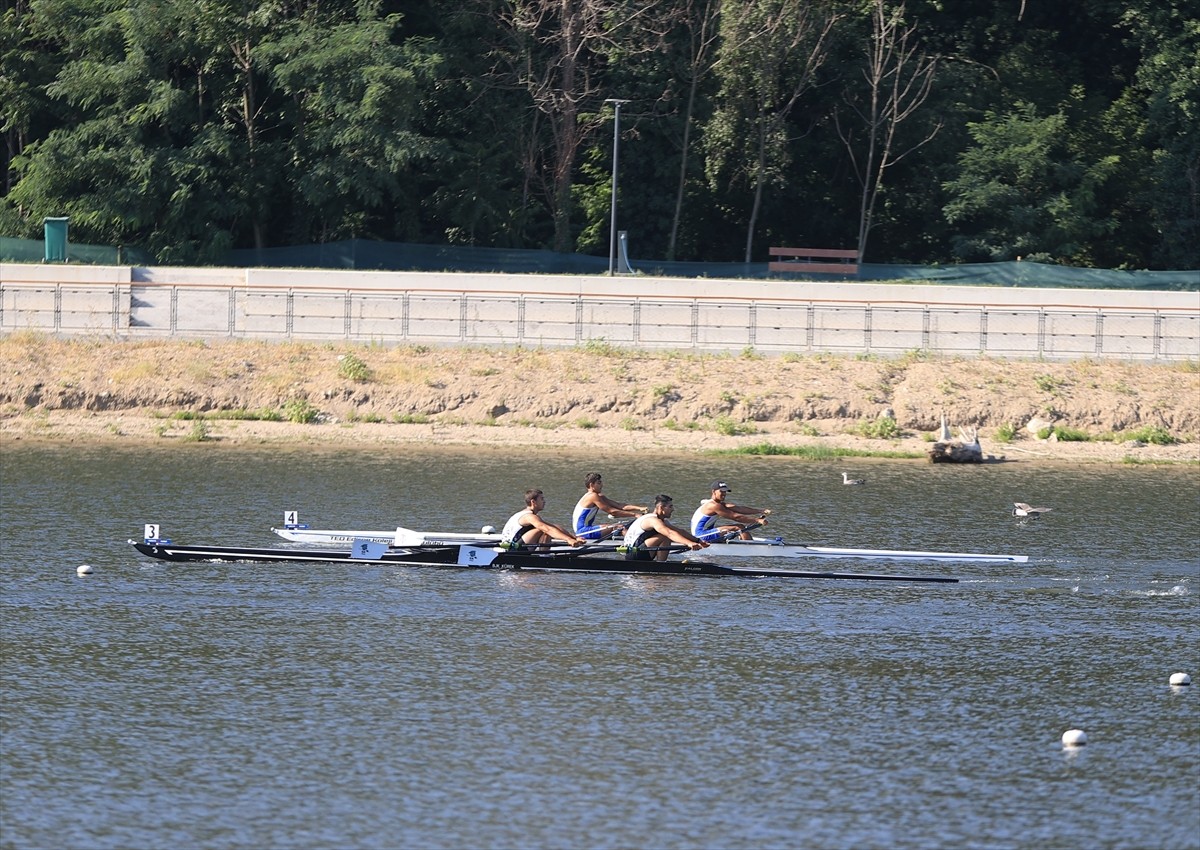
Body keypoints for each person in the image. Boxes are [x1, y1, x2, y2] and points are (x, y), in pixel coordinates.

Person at [621, 495, 710, 561]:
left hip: (640, 552)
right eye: (670, 506)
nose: (673, 509)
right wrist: (689, 543)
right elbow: (669, 533)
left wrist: (698, 541)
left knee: (670, 533)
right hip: (633, 554)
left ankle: (661, 563)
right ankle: (661, 564)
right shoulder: (652, 520)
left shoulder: (661, 521)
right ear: (661, 508)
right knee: (665, 535)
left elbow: (680, 531)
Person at [501, 488, 586, 549]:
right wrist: (568, 539)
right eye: (541, 499)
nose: (544, 501)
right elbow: (547, 529)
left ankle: (544, 556)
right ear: (533, 502)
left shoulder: (530, 515)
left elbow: (553, 527)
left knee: (552, 528)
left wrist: (574, 538)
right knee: (544, 530)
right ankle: (544, 558)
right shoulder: (529, 517)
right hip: (512, 549)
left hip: (516, 545)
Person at [572, 472, 647, 540]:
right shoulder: (592, 496)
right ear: (592, 485)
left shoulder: (598, 496)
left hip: (587, 529)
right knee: (619, 527)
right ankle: (633, 544)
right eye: (599, 483)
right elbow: (612, 512)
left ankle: (629, 539)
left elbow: (619, 506)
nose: (602, 485)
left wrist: (639, 508)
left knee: (619, 527)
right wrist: (635, 515)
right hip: (582, 532)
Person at [690, 480, 772, 542]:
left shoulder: (719, 504)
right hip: (701, 535)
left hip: (706, 532)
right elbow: (736, 517)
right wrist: (757, 520)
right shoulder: (714, 505)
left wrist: (760, 511)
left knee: (735, 529)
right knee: (739, 527)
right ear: (713, 491)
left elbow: (739, 509)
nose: (724, 494)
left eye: (725, 491)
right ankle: (750, 548)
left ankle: (743, 541)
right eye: (721, 491)